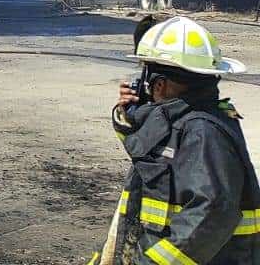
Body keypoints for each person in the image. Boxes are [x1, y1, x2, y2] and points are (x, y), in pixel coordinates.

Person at [92, 16, 260, 265]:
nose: (142, 83)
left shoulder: (202, 132)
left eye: (146, 74)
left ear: (159, 84)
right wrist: (128, 115)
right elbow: (148, 155)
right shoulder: (183, 117)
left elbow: (213, 212)